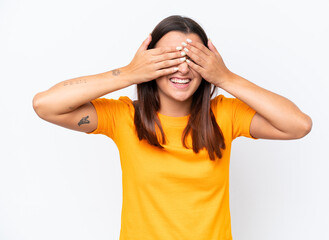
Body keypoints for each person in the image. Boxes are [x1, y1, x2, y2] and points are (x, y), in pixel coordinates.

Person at [33, 15, 312, 240]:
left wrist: (225, 77)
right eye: (170, 59)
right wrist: (129, 73)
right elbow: (45, 104)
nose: (182, 69)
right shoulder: (124, 116)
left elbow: (298, 125)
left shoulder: (226, 114)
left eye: (192, 59)